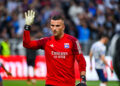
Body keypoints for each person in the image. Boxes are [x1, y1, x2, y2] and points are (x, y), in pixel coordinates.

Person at [23, 10, 87, 86]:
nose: (54, 28)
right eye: (52, 25)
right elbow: (27, 44)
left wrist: (83, 80)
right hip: (51, 83)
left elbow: (81, 61)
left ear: (63, 27)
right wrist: (27, 26)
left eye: (57, 26)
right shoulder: (46, 41)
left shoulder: (73, 41)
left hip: (68, 84)